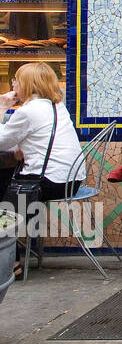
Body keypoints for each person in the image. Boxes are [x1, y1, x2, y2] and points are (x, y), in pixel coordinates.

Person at [0, 63, 85, 281]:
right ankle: (13, 261)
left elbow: (1, 142)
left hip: (46, 182)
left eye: (16, 80)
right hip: (70, 180)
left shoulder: (28, 112)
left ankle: (10, 264)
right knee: (2, 185)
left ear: (28, 84)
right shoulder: (56, 105)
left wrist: (1, 107)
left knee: (2, 209)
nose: (12, 83)